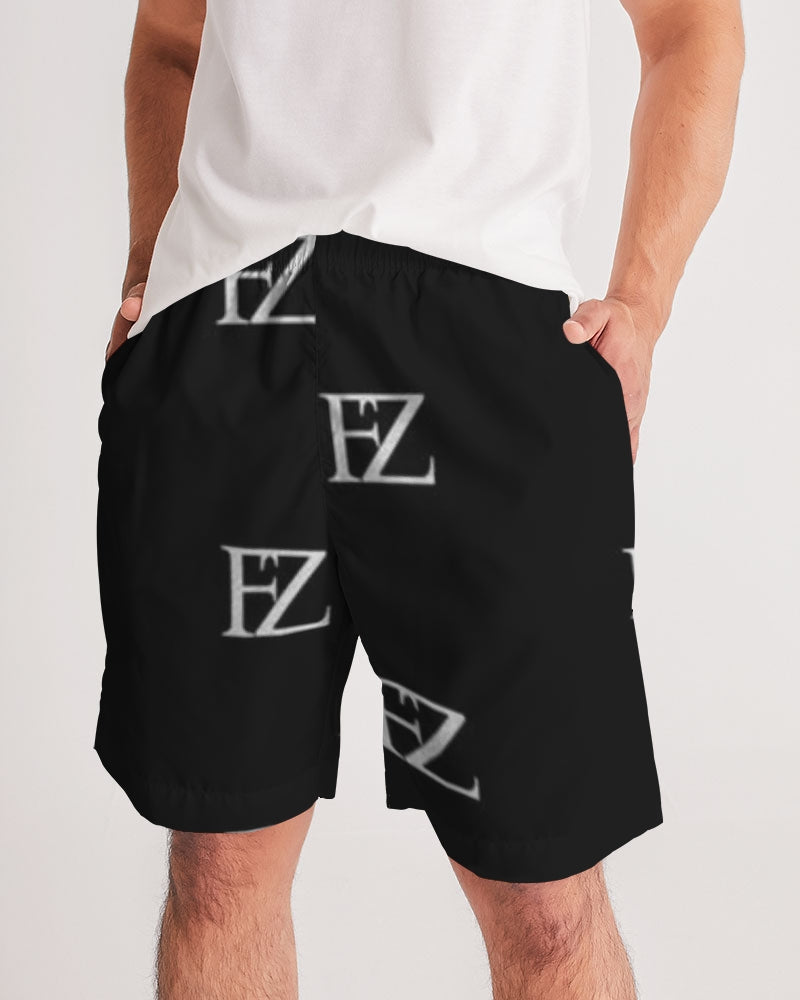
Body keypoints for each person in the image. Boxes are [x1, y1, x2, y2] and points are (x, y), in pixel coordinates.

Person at [94, 0, 744, 996]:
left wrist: (642, 304)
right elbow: (171, 44)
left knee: (544, 893)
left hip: (488, 323)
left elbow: (689, 26)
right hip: (224, 324)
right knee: (218, 869)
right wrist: (150, 268)